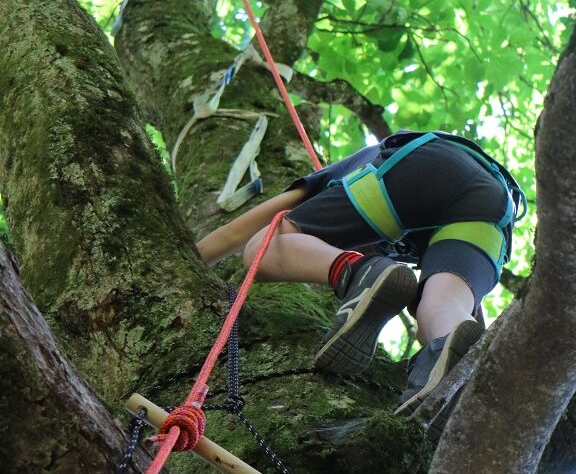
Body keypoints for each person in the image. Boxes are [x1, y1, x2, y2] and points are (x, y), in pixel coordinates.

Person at [196, 130, 525, 414]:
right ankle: (449, 369)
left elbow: (242, 231)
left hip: (418, 166)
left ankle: (356, 272)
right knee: (441, 311)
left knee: (261, 247)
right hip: (496, 209)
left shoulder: (333, 175)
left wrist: (192, 259)